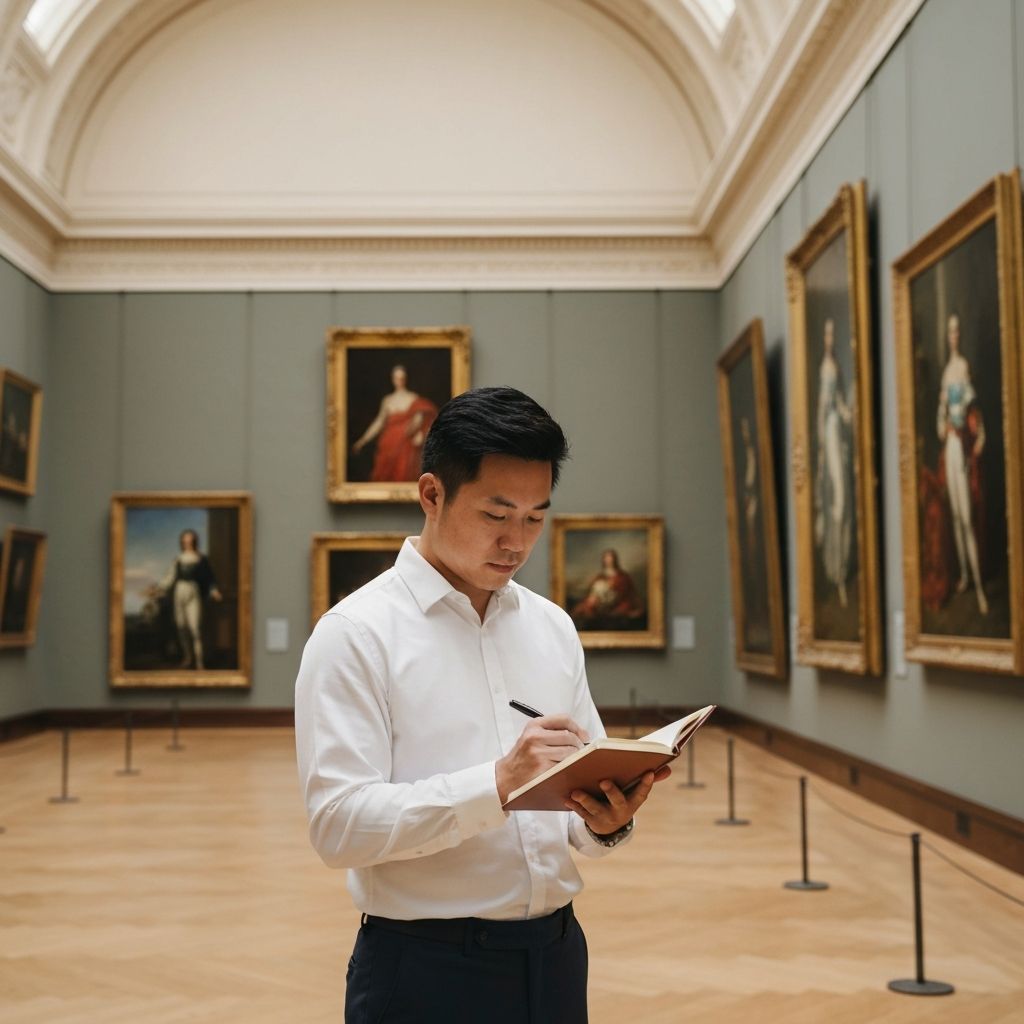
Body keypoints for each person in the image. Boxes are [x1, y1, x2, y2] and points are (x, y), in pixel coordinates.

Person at [295, 387, 670, 1023]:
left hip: (555, 956)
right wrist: (496, 783)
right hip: (423, 970)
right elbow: (337, 827)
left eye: (535, 517)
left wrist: (607, 820)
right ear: (431, 494)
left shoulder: (552, 627)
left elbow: (576, 813)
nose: (516, 542)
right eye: (497, 515)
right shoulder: (354, 634)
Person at [935, 313, 988, 615]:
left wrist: (978, 438)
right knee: (956, 516)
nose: (953, 336)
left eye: (956, 330)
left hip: (964, 448)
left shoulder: (963, 367)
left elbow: (974, 412)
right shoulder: (945, 373)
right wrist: (942, 425)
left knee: (967, 517)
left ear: (960, 334)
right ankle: (966, 576)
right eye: (949, 331)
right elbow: (941, 418)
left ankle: (979, 583)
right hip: (951, 447)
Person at [813, 318, 853, 608]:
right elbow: (822, 409)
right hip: (830, 433)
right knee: (838, 500)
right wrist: (822, 452)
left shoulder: (835, 368)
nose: (830, 338)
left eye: (833, 333)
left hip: (837, 431)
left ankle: (841, 564)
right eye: (826, 333)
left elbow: (838, 403)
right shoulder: (826, 369)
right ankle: (837, 566)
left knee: (842, 502)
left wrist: (847, 412)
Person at [148, 528, 222, 669]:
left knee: (195, 629)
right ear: (182, 542)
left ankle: (200, 662)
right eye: (185, 540)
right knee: (181, 627)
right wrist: (158, 589)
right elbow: (168, 579)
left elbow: (209, 577)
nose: (187, 542)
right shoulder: (178, 559)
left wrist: (214, 590)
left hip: (193, 592)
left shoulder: (201, 558)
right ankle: (187, 658)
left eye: (190, 540)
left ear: (194, 541)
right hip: (179, 592)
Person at [351, 364, 438, 482]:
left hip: (406, 443)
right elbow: (379, 423)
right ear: (392, 379)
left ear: (406, 379)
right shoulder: (388, 400)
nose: (399, 381)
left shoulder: (413, 398)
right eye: (397, 378)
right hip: (388, 443)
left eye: (402, 378)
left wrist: (412, 430)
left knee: (403, 473)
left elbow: (422, 417)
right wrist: (363, 440)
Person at [570, 548, 644, 628]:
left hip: (616, 601)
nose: (608, 560)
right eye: (606, 558)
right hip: (600, 602)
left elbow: (627, 591)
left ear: (614, 559)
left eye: (610, 558)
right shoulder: (600, 576)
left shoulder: (622, 575)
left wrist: (612, 587)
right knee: (583, 608)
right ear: (604, 560)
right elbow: (593, 591)